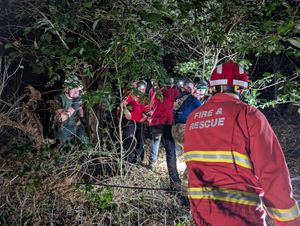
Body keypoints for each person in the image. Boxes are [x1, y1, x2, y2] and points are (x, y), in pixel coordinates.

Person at [184, 60, 300, 226]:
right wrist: (290, 221)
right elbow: (272, 173)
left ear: (212, 87)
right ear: (241, 88)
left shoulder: (193, 118)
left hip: (201, 215)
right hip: (242, 217)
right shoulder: (248, 115)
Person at [148, 77, 181, 190]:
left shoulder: (155, 90)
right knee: (170, 150)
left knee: (155, 141)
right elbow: (179, 99)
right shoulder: (173, 92)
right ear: (171, 84)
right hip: (166, 122)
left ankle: (152, 162)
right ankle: (174, 180)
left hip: (155, 121)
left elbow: (150, 99)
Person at [52, 76, 89, 146]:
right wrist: (74, 106)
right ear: (67, 89)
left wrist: (82, 118)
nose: (76, 93)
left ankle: (87, 153)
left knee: (84, 136)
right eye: (74, 90)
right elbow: (61, 118)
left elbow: (80, 108)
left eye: (78, 90)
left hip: (74, 126)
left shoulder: (76, 99)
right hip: (62, 129)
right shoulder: (59, 98)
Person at [122, 80, 149, 166]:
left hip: (141, 123)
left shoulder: (144, 98)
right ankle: (127, 164)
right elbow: (123, 104)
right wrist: (126, 112)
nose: (143, 90)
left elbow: (147, 109)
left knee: (141, 143)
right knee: (130, 141)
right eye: (141, 88)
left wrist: (147, 115)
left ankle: (137, 162)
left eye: (144, 89)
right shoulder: (132, 95)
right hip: (131, 122)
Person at [172, 79, 202, 155]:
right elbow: (203, 111)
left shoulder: (178, 97)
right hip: (184, 129)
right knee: (194, 149)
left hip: (174, 128)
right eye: (191, 87)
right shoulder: (193, 99)